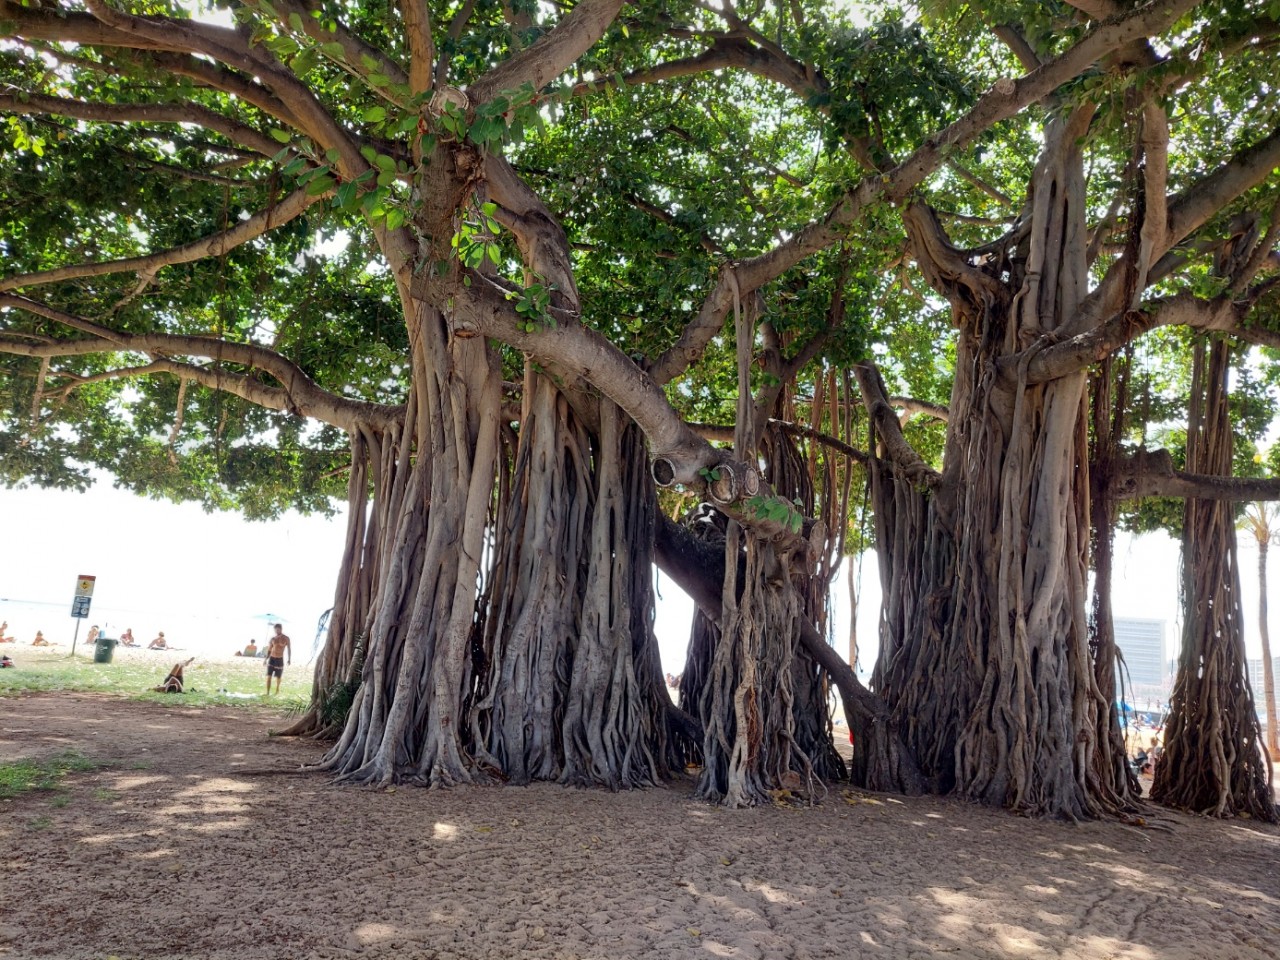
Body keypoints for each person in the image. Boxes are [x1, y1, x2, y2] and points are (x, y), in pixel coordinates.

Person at [263, 623, 291, 695]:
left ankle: (277, 689)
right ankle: (267, 692)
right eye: (275, 630)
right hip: (272, 658)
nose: (277, 631)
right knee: (269, 676)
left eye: (278, 629)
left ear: (281, 629)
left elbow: (289, 649)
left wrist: (289, 659)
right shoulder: (273, 639)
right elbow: (269, 650)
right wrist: (265, 659)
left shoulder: (286, 638)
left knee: (278, 677)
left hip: (279, 659)